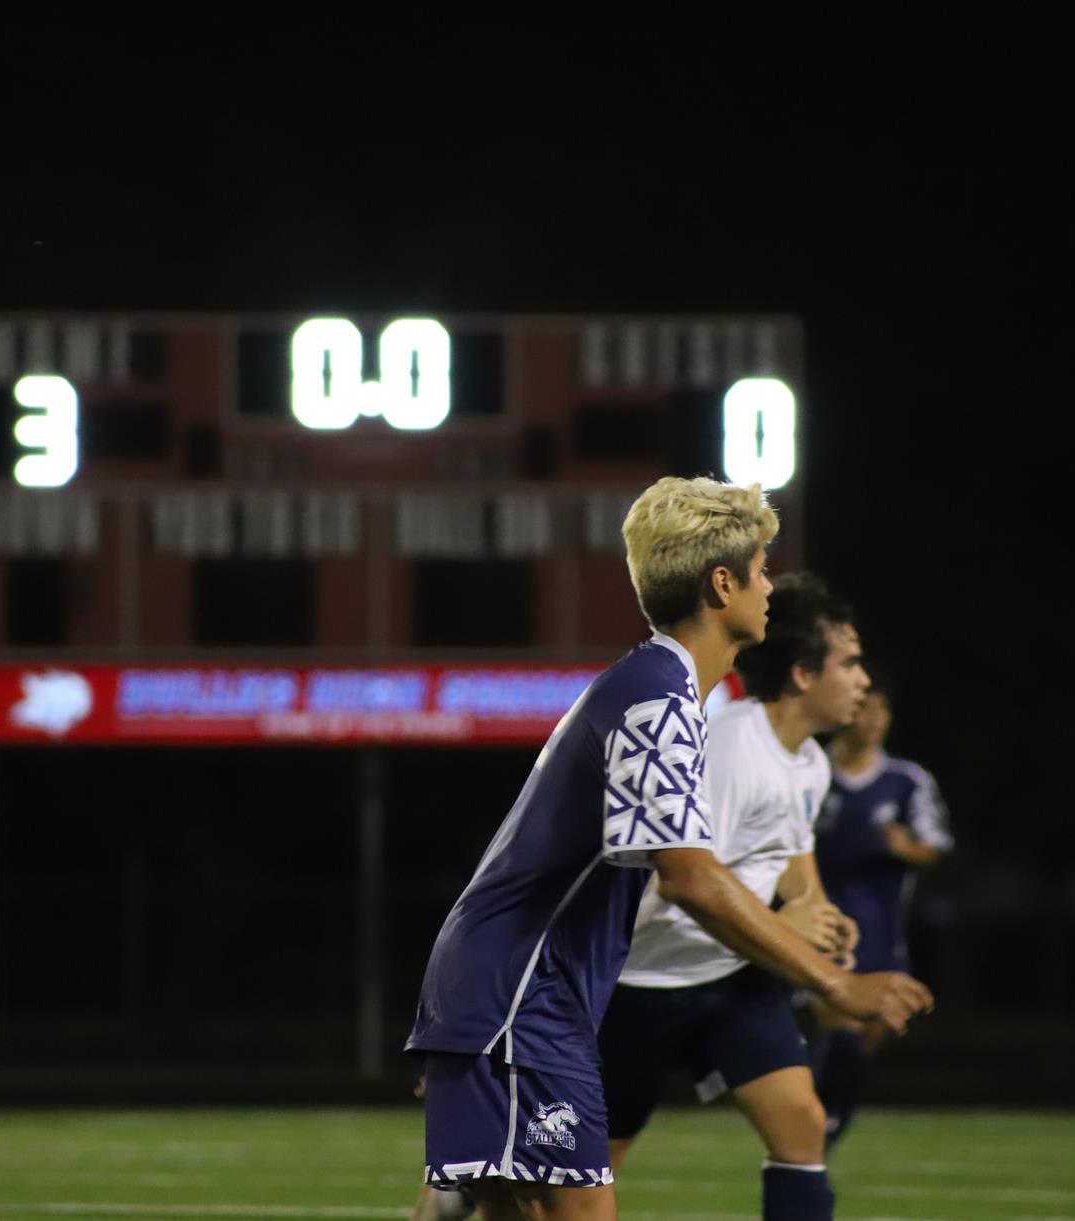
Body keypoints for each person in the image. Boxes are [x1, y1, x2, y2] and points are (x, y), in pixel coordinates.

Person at [405, 477, 933, 1221]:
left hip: (518, 989)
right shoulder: (659, 703)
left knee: (501, 1212)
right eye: (760, 569)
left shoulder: (660, 691)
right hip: (522, 994)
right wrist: (833, 982)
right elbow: (689, 879)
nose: (769, 586)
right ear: (723, 584)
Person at [598, 573, 876, 1221]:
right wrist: (816, 960)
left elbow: (790, 853)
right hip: (639, 983)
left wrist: (818, 910)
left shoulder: (809, 759)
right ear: (804, 674)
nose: (864, 680)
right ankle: (471, 1181)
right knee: (588, 1173)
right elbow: (690, 880)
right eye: (851, 662)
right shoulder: (729, 747)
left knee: (802, 1123)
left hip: (728, 978)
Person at [809, 684, 953, 1149]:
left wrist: (904, 847)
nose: (872, 721)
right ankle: (811, 1129)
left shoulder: (906, 780)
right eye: (864, 709)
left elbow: (935, 845)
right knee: (843, 1027)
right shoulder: (810, 772)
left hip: (883, 934)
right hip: (820, 932)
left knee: (869, 1037)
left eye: (882, 710)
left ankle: (827, 1126)